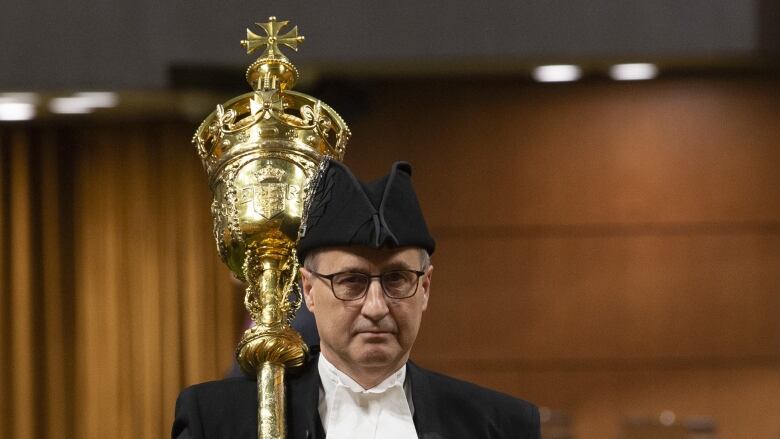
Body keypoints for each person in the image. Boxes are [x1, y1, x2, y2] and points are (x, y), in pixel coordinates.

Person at [172, 160, 540, 439]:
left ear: (425, 288)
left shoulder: (502, 425)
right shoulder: (218, 419)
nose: (377, 307)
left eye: (397, 279)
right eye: (351, 281)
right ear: (309, 290)